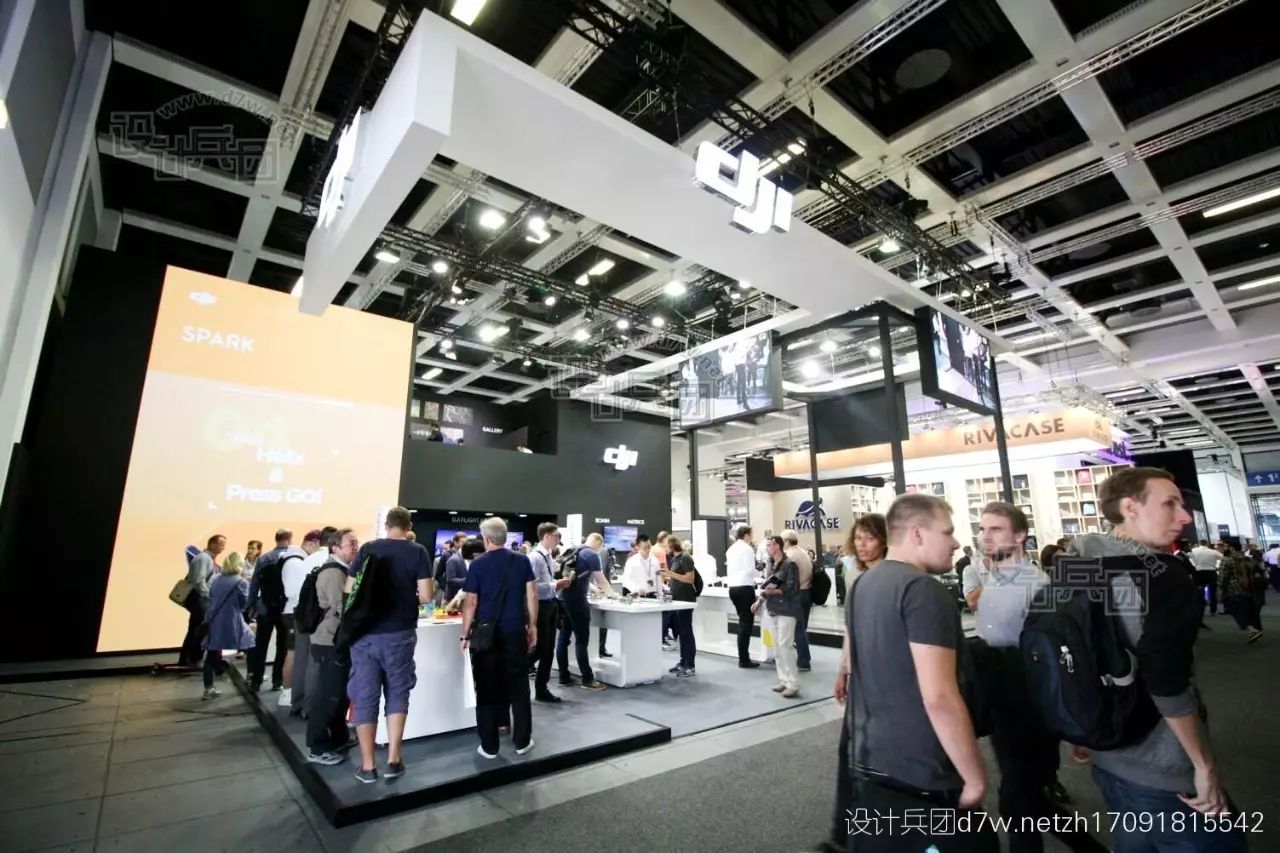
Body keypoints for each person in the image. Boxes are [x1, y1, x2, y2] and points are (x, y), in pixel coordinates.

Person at [1068, 468, 1243, 852]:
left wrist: (1079, 728)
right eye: (1169, 504)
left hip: (1105, 751)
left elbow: (1069, 653)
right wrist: (1203, 764)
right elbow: (1165, 677)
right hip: (1162, 765)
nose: (1184, 516)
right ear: (1130, 508)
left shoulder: (1077, 563)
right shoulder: (1166, 576)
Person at [845, 494, 997, 852]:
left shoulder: (863, 584)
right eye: (947, 532)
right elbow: (940, 696)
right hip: (924, 770)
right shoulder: (923, 590)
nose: (955, 543)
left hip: (873, 761)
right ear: (917, 533)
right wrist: (975, 777)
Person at [967, 503, 1101, 853]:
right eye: (983, 529)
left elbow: (1057, 657)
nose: (985, 536)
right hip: (1001, 704)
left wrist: (1071, 722)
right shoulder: (994, 577)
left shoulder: (1037, 585)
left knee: (1016, 801)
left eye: (995, 529)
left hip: (1032, 706)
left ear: (1020, 536)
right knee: (1029, 799)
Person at [344, 507, 433, 784]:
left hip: (365, 634)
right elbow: (426, 595)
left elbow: (349, 589)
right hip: (401, 632)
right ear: (409, 526)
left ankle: (368, 766)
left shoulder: (368, 548)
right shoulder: (418, 551)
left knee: (365, 696)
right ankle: (394, 760)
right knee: (398, 691)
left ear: (386, 524)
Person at [820, 513, 887, 853]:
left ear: (884, 541)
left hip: (885, 680)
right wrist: (843, 669)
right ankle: (843, 833)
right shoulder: (856, 576)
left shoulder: (892, 578)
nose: (862, 544)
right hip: (861, 677)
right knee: (848, 750)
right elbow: (851, 629)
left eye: (869, 538)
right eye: (858, 538)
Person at [462, 517, 537, 759]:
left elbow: (471, 602)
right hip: (514, 630)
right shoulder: (522, 560)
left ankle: (489, 746)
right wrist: (533, 625)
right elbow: (531, 594)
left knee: (486, 687)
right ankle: (522, 741)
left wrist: (465, 633)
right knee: (519, 686)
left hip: (487, 633)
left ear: (486, 539)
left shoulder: (478, 564)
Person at [306, 528, 359, 765]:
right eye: (351, 544)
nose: (356, 548)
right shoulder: (333, 573)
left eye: (356, 543)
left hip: (336, 640)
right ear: (335, 547)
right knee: (327, 695)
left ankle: (338, 738)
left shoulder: (342, 570)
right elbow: (344, 608)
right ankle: (317, 747)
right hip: (329, 641)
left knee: (339, 694)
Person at [246, 530, 305, 692]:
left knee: (261, 644)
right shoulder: (294, 558)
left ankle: (256, 680)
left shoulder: (264, 558)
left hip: (265, 607)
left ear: (276, 539)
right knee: (282, 646)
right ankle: (277, 681)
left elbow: (255, 584)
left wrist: (251, 605)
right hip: (285, 608)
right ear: (289, 540)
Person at [556, 532, 613, 691]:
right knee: (582, 641)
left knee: (563, 638)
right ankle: (587, 679)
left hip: (563, 598)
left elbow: (578, 576)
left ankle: (563, 676)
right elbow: (602, 580)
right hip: (577, 602)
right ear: (599, 544)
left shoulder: (574, 550)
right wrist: (613, 595)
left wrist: (591, 587)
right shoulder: (592, 555)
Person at [281, 529, 329, 712]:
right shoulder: (322, 560)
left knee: (301, 658)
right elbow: (293, 591)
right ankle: (308, 705)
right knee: (311, 661)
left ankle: (297, 701)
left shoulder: (307, 560)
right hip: (311, 615)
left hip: (300, 614)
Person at [200, 552, 254, 700]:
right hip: (233, 620)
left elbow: (210, 596)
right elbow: (243, 604)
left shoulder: (216, 578)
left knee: (211, 655)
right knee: (250, 645)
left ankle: (208, 688)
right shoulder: (241, 582)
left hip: (214, 620)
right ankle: (251, 675)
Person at [529, 522, 572, 703]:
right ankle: (515, 674)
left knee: (548, 650)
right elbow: (531, 587)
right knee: (541, 649)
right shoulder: (535, 558)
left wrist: (556, 585)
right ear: (546, 536)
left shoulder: (547, 556)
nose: (558, 539)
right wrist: (556, 584)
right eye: (556, 536)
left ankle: (542, 689)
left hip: (550, 604)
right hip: (540, 607)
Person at [754, 535, 800, 697]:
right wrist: (760, 600)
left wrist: (772, 592)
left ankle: (793, 683)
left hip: (787, 609)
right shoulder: (771, 564)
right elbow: (767, 585)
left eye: (769, 545)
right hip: (773, 608)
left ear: (777, 546)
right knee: (777, 647)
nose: (767, 548)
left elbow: (792, 588)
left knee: (785, 645)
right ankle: (784, 680)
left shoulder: (790, 564)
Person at [180, 534, 225, 666]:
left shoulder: (208, 559)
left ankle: (190, 658)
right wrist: (209, 597)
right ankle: (191, 659)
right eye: (221, 544)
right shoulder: (203, 558)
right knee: (199, 629)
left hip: (201, 599)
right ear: (212, 544)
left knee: (197, 629)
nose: (223, 548)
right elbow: (199, 581)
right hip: (200, 599)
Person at [660, 535, 697, 677]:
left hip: (686, 600)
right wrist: (666, 576)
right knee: (681, 632)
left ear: (672, 546)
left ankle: (690, 665)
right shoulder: (675, 559)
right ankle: (683, 662)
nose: (665, 549)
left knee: (686, 632)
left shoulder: (685, 558)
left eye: (666, 547)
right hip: (677, 600)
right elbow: (677, 578)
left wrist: (670, 573)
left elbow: (690, 578)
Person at [726, 526, 761, 668]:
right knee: (746, 623)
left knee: (742, 622)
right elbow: (749, 570)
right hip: (745, 587)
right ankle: (744, 659)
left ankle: (743, 657)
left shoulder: (731, 549)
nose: (752, 537)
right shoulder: (747, 549)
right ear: (747, 535)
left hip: (733, 588)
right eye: (751, 534)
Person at [781, 531, 814, 672]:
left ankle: (804, 661)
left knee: (797, 629)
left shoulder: (789, 556)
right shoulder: (804, 553)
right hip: (807, 592)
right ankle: (802, 657)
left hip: (796, 595)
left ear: (787, 541)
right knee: (801, 628)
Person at [1219, 542, 1263, 642]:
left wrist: (1219, 588)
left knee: (1236, 610)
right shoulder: (1246, 558)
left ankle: (1252, 630)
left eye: (1224, 545)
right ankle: (1256, 628)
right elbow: (1258, 570)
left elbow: (1222, 577)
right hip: (1249, 588)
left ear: (1231, 548)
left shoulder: (1227, 560)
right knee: (1249, 609)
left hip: (1233, 589)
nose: (1222, 548)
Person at [1189, 539, 1220, 616]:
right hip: (1211, 572)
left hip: (1199, 572)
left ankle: (1201, 610)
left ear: (1199, 543)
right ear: (1207, 544)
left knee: (1200, 592)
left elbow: (1188, 558)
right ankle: (1213, 610)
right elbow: (1222, 557)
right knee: (1213, 592)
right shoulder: (1213, 551)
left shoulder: (1193, 551)